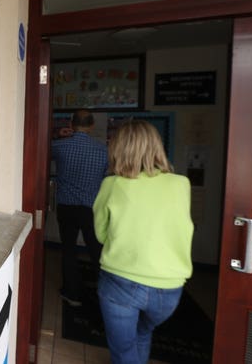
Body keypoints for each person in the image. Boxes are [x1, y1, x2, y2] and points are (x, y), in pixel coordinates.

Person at [93, 120, 194, 364]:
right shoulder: (181, 184)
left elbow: (101, 234)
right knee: (143, 331)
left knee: (123, 351)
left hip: (121, 282)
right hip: (168, 289)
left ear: (117, 149)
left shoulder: (112, 184)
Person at [51, 109, 108, 306]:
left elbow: (44, 151)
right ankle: (107, 295)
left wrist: (58, 135)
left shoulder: (58, 146)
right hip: (92, 208)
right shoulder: (103, 151)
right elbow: (107, 179)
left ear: (71, 123)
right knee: (96, 250)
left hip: (66, 206)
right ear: (92, 125)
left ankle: (72, 294)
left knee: (68, 250)